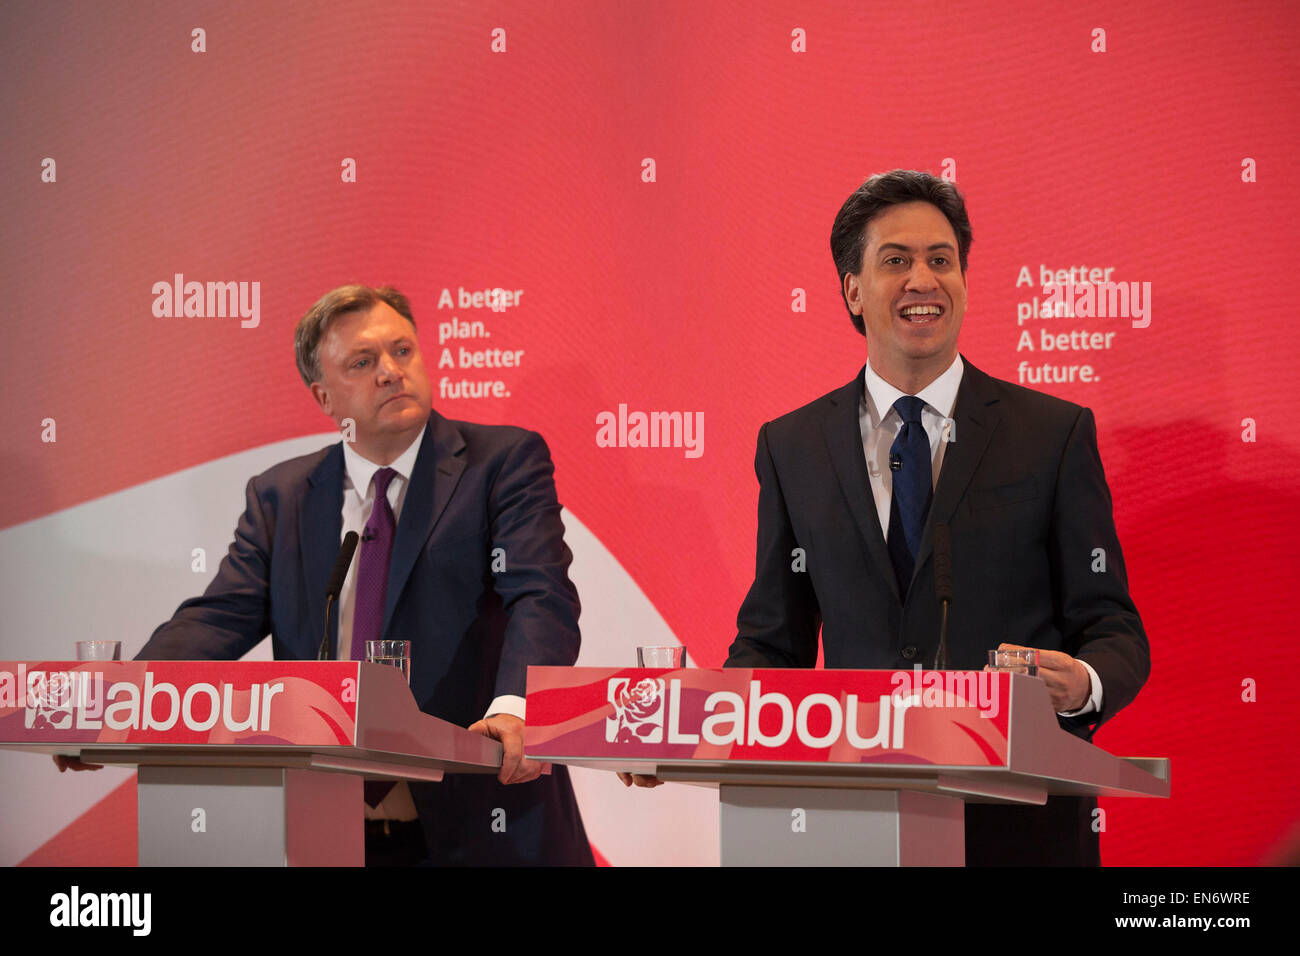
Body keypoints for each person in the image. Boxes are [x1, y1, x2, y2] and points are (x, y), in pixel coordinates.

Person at [630, 170, 1150, 866]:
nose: (923, 280)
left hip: (1021, 824)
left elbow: (1113, 628)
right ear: (853, 288)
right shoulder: (792, 446)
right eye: (896, 261)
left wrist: (1080, 685)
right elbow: (773, 643)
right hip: (852, 819)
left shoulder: (1050, 433)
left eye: (941, 259)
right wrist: (683, 733)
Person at [71, 283, 592, 866]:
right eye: (363, 362)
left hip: (485, 822)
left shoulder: (502, 463)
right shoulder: (283, 497)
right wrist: (118, 702)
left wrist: (515, 708)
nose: (392, 372)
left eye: (402, 351)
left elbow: (540, 595)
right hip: (329, 830)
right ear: (323, 395)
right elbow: (219, 616)